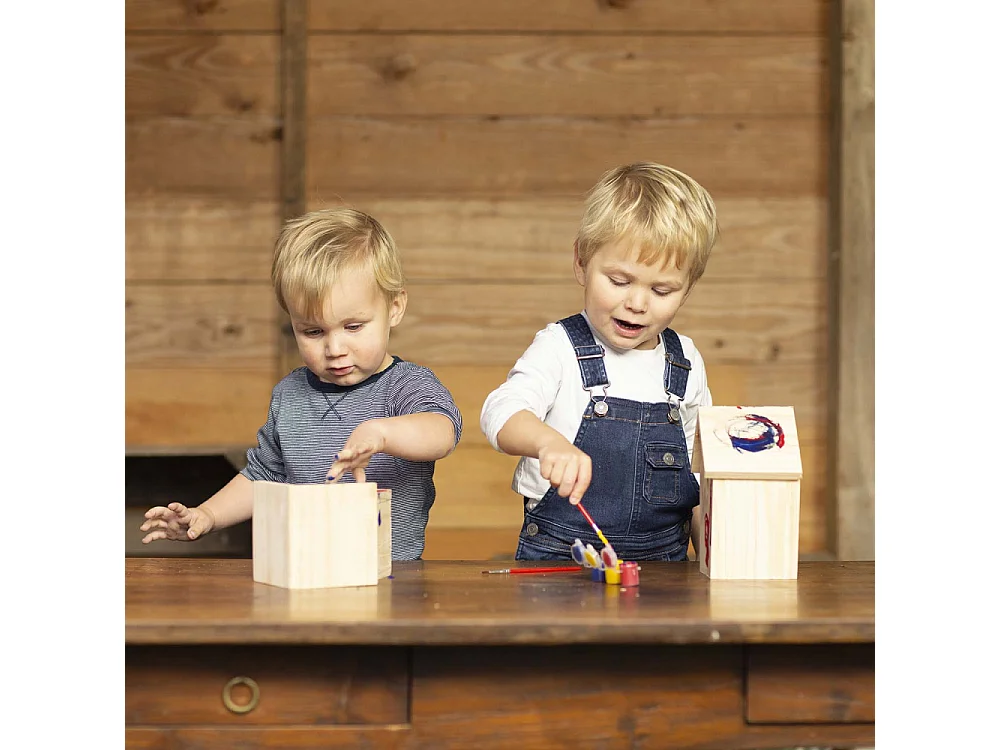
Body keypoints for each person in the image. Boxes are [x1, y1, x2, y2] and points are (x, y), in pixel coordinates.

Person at [140, 207, 463, 560]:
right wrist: (208, 515)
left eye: (353, 327)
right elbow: (264, 477)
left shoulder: (405, 386)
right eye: (313, 331)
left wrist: (381, 433)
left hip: (390, 581)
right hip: (305, 572)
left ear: (395, 308)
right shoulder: (289, 395)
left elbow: (441, 432)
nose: (335, 349)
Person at [480, 162, 718, 562]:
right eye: (620, 281)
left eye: (662, 290)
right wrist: (547, 442)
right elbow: (500, 412)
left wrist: (713, 558)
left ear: (687, 289)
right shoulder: (559, 347)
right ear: (581, 262)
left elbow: (696, 477)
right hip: (563, 557)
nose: (637, 303)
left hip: (663, 567)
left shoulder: (685, 362)